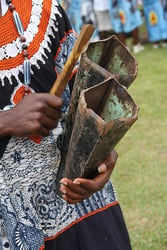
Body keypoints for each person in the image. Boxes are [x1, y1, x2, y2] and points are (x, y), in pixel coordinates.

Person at [0, 0, 132, 249]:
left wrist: (98, 155)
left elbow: (79, 100)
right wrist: (5, 121)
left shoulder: (44, 9)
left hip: (78, 205)